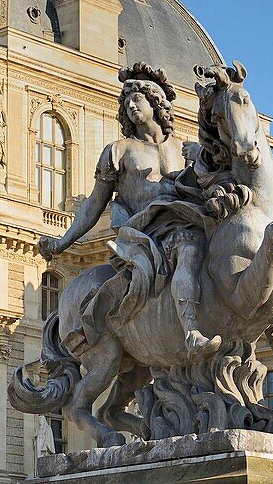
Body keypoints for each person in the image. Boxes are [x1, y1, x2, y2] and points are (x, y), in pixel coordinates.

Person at [39, 63, 219, 357]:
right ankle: (190, 332)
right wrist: (62, 242)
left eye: (138, 98)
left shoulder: (183, 149)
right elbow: (95, 204)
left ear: (156, 103)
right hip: (143, 235)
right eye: (127, 101)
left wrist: (201, 159)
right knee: (189, 251)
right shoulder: (119, 150)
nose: (131, 105)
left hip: (183, 221)